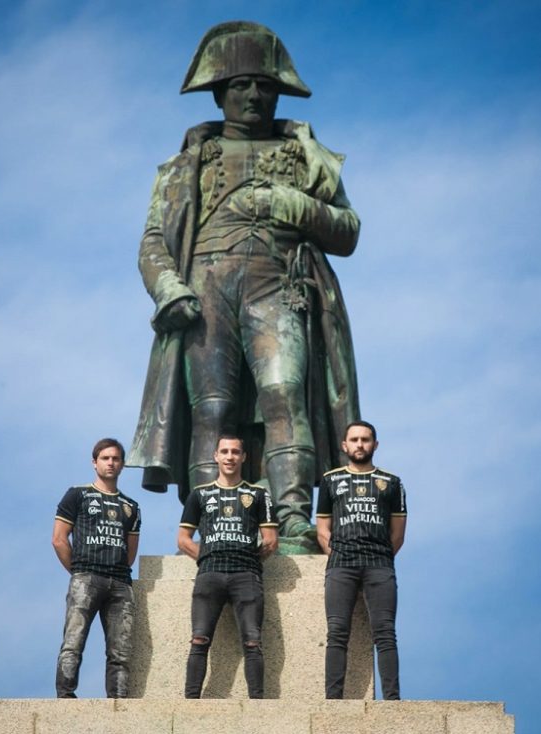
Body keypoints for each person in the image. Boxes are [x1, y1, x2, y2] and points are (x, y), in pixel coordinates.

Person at [130, 20, 362, 548]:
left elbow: (347, 230)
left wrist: (291, 203)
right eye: (241, 86)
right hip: (205, 287)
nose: (255, 95)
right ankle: (213, 518)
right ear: (219, 94)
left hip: (277, 286)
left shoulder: (307, 155)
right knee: (211, 407)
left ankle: (294, 516)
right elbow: (152, 242)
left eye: (265, 86)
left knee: (284, 394)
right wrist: (170, 288)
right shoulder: (185, 163)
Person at [178, 435, 279, 698]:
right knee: (199, 639)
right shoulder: (199, 494)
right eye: (224, 451)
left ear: (243, 457)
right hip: (209, 574)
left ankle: (258, 702)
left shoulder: (258, 494)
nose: (230, 456)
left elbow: (270, 541)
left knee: (253, 642)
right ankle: (191, 702)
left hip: (246, 575)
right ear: (216, 456)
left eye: (235, 452)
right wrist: (208, 555)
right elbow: (183, 539)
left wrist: (247, 557)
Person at [315, 420, 406, 700]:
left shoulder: (391, 483)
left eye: (365, 439)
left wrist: (378, 556)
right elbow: (322, 530)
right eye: (354, 440)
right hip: (341, 565)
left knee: (385, 633)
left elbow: (398, 535)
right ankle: (333, 699)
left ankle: (392, 699)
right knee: (337, 632)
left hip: (379, 565)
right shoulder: (330, 480)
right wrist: (340, 555)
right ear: (345, 445)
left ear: (375, 445)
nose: (359, 444)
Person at [51, 438, 142, 698]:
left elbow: (130, 551)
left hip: (120, 584)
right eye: (105, 458)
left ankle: (119, 702)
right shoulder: (77, 495)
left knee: (120, 652)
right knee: (73, 642)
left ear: (122, 464)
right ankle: (66, 696)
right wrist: (78, 570)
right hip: (86, 578)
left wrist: (117, 571)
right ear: (95, 462)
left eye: (115, 459)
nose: (110, 463)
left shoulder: (131, 507)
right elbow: (59, 539)